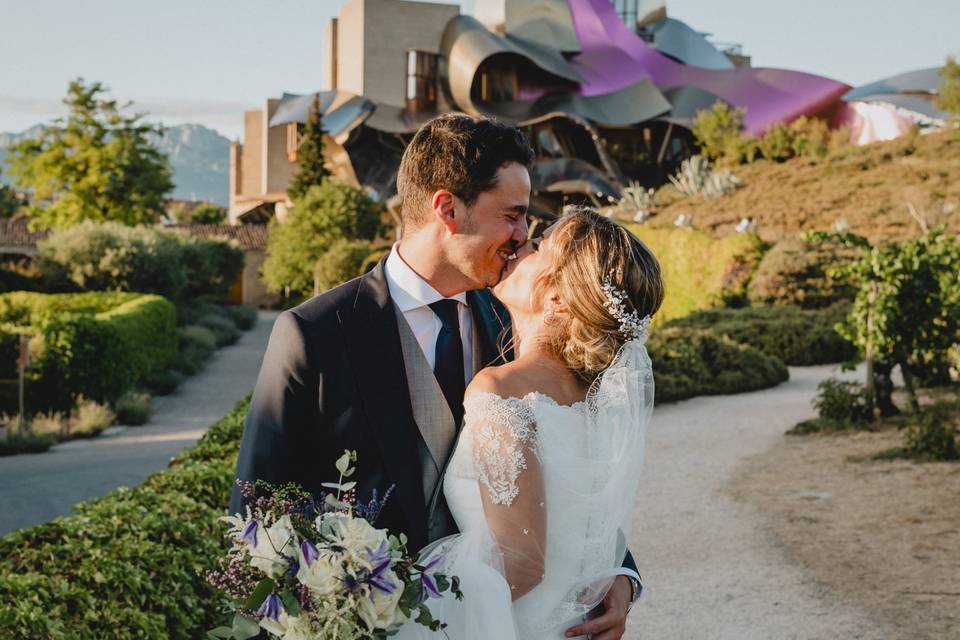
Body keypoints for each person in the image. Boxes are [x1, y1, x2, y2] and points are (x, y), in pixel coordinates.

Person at [230, 114, 642, 638]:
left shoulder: (518, 318)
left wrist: (621, 572)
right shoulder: (316, 334)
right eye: (513, 216)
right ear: (448, 208)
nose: (522, 238)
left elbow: (572, 466)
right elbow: (256, 515)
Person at [394, 207, 662, 640]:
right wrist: (620, 573)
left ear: (554, 296)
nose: (521, 244)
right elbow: (585, 526)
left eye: (537, 245)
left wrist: (393, 610)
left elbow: (519, 563)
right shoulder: (598, 402)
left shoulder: (502, 390)